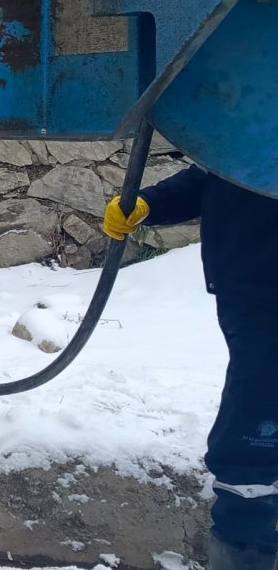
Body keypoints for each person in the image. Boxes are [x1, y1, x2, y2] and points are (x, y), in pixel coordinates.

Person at [103, 166, 278, 569]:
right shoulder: (253, 112)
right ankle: (244, 552)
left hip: (255, 282)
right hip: (253, 286)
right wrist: (150, 202)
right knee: (257, 421)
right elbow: (221, 167)